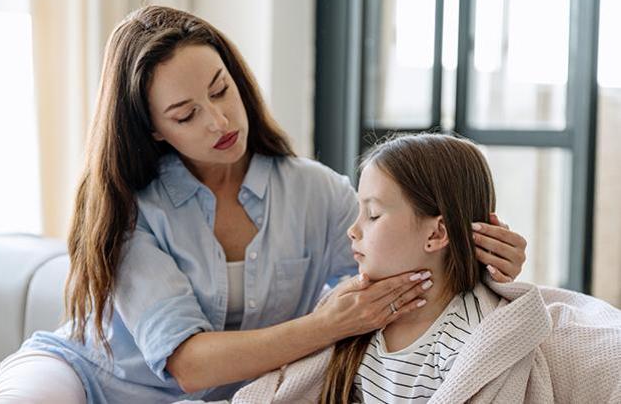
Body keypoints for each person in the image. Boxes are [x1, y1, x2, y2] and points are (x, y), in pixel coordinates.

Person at [0, 6, 527, 404]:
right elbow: (189, 365)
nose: (219, 122)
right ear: (152, 130)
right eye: (185, 113)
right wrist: (327, 325)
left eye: (220, 90)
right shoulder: (126, 208)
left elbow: (412, 260)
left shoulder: (315, 193)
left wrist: (486, 257)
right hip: (86, 377)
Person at [224, 133, 621, 404]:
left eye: (373, 215)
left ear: (437, 234)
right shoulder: (359, 319)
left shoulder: (471, 339)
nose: (353, 230)